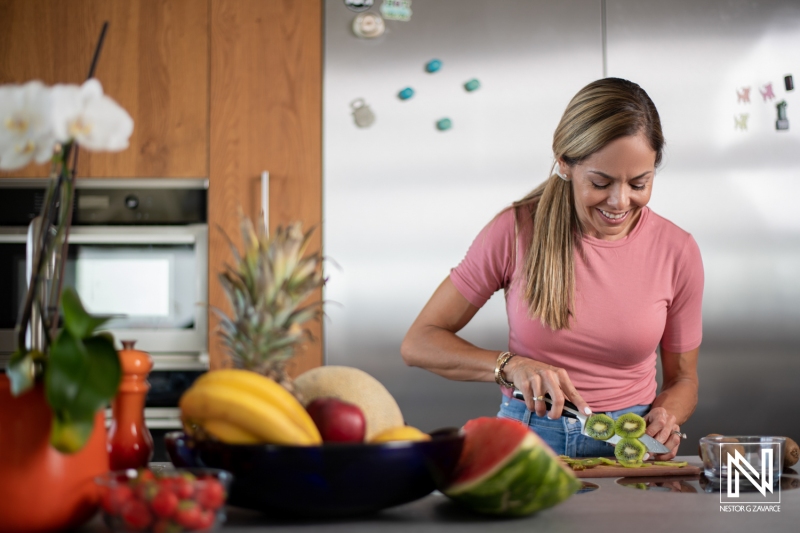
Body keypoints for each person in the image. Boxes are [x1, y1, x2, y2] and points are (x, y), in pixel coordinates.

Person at [400, 78, 703, 460]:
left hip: (631, 443)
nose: (620, 200)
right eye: (601, 182)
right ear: (564, 162)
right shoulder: (514, 232)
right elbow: (419, 343)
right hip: (528, 436)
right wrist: (509, 366)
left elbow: (684, 379)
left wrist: (666, 416)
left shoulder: (678, 250)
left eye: (639, 183)